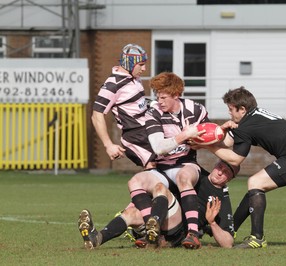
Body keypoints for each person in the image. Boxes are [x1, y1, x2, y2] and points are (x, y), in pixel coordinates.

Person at [202, 86, 286, 249]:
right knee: (255, 187)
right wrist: (219, 131)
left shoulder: (246, 126)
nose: (229, 113)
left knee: (255, 183)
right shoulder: (254, 117)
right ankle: (232, 229)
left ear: (242, 109)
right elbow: (228, 142)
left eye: (230, 109)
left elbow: (235, 159)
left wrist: (207, 147)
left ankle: (257, 238)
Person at [128, 72, 209, 249]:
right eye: (157, 96)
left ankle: (193, 234)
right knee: (135, 181)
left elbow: (210, 136)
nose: (159, 101)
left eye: (163, 97)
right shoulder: (153, 112)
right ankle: (151, 229)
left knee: (184, 177)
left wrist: (199, 143)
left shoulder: (196, 110)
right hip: (162, 169)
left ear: (176, 95)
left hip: (186, 164)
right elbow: (159, 148)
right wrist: (185, 135)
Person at [77, 160, 239, 249]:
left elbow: (228, 243)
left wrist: (212, 222)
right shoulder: (194, 173)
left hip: (179, 231)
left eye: (226, 172)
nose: (219, 172)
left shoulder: (222, 199)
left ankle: (152, 230)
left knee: (161, 189)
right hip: (163, 216)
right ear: (215, 163)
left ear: (230, 178)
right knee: (130, 214)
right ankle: (97, 238)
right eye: (220, 166)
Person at [91, 43, 156, 169]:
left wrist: (154, 104)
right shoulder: (112, 85)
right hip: (136, 136)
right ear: (129, 63)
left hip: (149, 128)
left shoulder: (135, 78)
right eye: (141, 65)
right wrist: (108, 145)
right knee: (154, 170)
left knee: (169, 167)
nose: (144, 69)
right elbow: (96, 115)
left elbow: (136, 102)